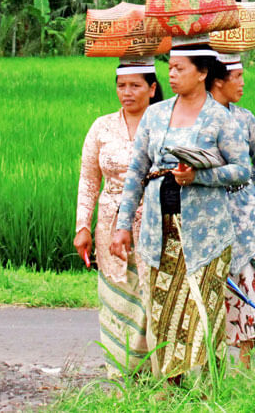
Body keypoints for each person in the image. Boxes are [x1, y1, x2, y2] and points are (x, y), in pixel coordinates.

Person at [110, 36, 251, 380]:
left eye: (179, 68)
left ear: (202, 73)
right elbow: (136, 173)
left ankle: (204, 387)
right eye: (169, 68)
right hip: (162, 229)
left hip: (208, 233)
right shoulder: (156, 116)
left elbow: (242, 170)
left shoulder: (220, 118)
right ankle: (171, 385)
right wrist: (123, 224)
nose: (171, 75)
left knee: (202, 312)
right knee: (164, 310)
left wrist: (199, 176)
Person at [74, 56, 163, 377]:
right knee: (117, 294)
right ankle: (123, 373)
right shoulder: (102, 127)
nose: (127, 92)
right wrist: (82, 225)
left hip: (155, 221)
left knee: (153, 294)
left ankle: (157, 371)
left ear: (152, 89)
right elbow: (88, 180)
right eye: (121, 86)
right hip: (110, 224)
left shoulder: (164, 125)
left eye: (135, 86)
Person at [211, 53, 255, 368]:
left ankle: (247, 364)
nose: (243, 83)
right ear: (218, 80)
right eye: (237, 77)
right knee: (213, 291)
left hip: (246, 222)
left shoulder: (245, 118)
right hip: (208, 219)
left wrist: (241, 188)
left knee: (248, 286)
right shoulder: (198, 119)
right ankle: (215, 365)